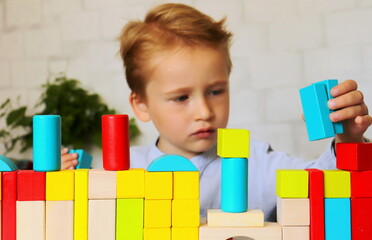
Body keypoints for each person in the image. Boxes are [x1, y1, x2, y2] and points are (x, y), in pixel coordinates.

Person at [62, 3, 371, 221]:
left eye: (216, 91)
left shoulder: (258, 162)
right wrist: (61, 186)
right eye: (181, 97)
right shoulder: (122, 170)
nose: (204, 111)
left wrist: (348, 142)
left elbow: (326, 183)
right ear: (141, 105)